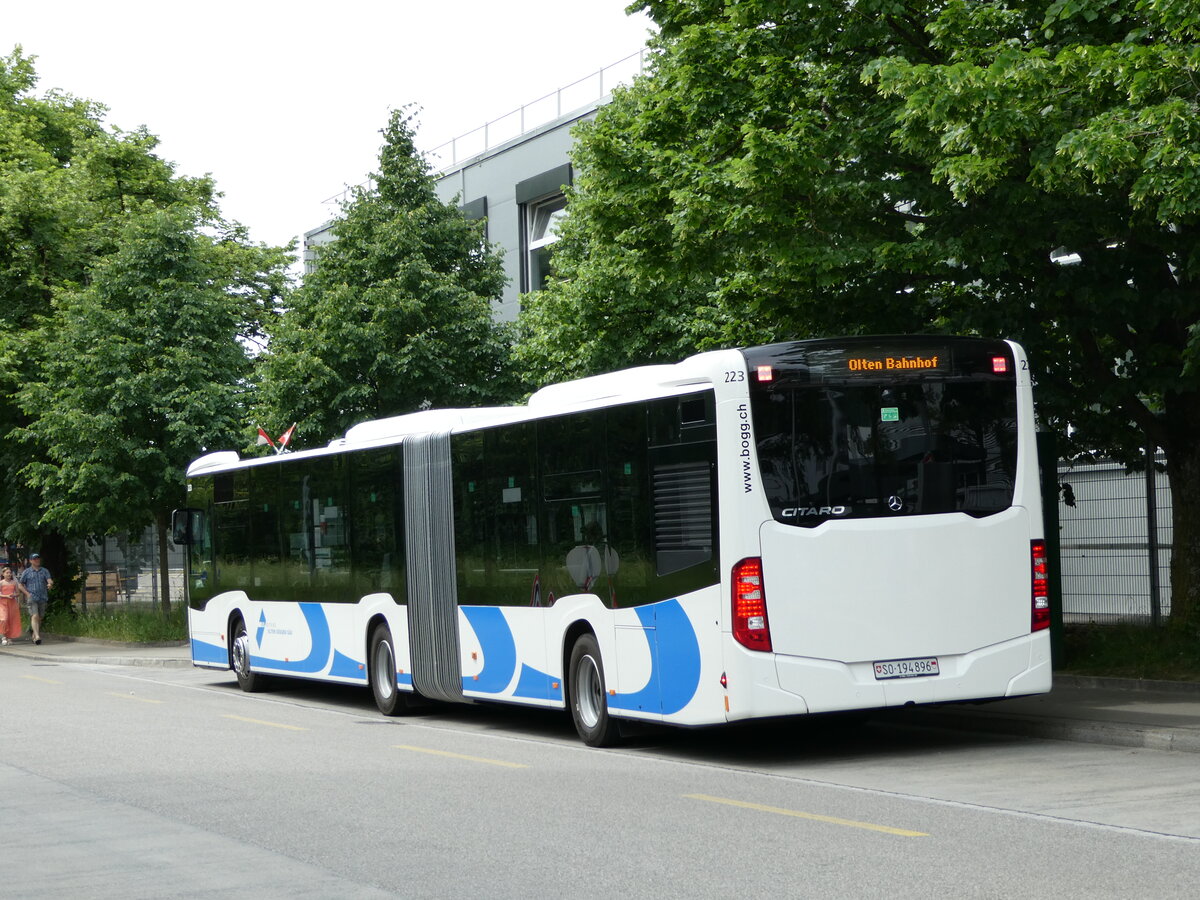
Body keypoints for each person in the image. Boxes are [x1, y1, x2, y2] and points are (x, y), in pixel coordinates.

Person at [18, 552, 52, 645]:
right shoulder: (27, 572)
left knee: (40, 617)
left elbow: (49, 580)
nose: (37, 560)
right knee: (35, 615)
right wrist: (27, 594)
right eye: (34, 559)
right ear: (30, 561)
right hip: (32, 597)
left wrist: (50, 584)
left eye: (38, 558)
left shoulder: (44, 570)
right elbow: (20, 585)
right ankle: (37, 636)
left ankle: (34, 633)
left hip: (43, 596)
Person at [0, 566, 28, 645]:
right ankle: (3, 636)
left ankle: (9, 637)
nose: (9, 574)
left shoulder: (14, 582)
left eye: (10, 573)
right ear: (3, 574)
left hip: (12, 603)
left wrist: (14, 595)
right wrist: (6, 596)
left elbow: (18, 593)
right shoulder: (1, 583)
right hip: (2, 603)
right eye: (7, 573)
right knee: (3, 619)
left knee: (11, 620)